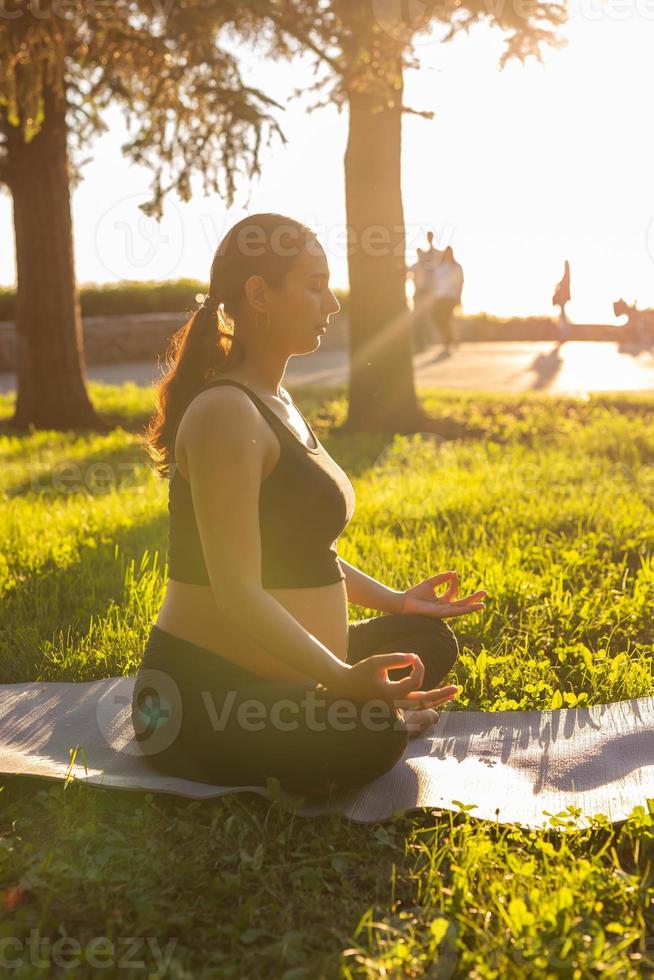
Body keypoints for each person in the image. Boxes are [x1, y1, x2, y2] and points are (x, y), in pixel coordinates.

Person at [131, 213, 486, 801]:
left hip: (290, 674)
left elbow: (308, 553)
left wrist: (399, 601)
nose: (332, 303)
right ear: (259, 294)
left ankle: (333, 702)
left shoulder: (277, 401)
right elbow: (237, 591)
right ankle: (343, 710)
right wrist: (344, 681)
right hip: (200, 699)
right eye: (316, 285)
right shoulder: (226, 413)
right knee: (370, 736)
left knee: (428, 642)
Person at [431, 246, 463, 353]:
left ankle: (447, 342)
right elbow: (434, 282)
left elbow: (460, 282)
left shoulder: (456, 266)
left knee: (446, 319)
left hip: (450, 297)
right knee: (437, 318)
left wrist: (459, 297)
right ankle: (449, 339)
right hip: (439, 297)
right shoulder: (439, 267)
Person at [552, 260, 571, 344]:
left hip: (564, 297)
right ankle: (563, 335)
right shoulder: (567, 274)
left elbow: (563, 282)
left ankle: (563, 335)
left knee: (562, 318)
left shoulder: (566, 275)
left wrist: (558, 285)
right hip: (564, 297)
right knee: (562, 316)